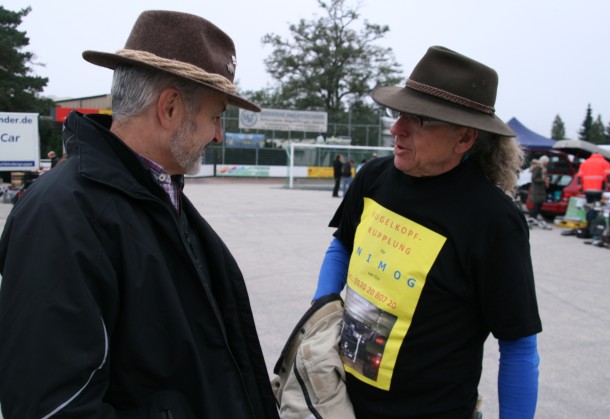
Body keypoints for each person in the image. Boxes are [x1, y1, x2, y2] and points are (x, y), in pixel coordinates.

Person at [0, 11, 279, 419]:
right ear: (170, 108)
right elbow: (54, 406)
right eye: (216, 116)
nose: (219, 134)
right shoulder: (62, 217)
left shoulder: (154, 197)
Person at [312, 46, 542, 418]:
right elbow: (343, 244)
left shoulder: (493, 220)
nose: (396, 128)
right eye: (399, 113)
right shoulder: (374, 177)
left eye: (419, 119)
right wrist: (320, 312)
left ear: (464, 139)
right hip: (340, 402)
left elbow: (518, 346)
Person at [527, 155, 550, 225]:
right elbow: (534, 178)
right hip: (536, 190)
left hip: (540, 190)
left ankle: (533, 218)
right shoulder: (538, 168)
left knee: (538, 204)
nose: (547, 164)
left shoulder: (542, 168)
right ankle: (532, 218)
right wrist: (543, 180)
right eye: (546, 162)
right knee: (537, 204)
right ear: (544, 161)